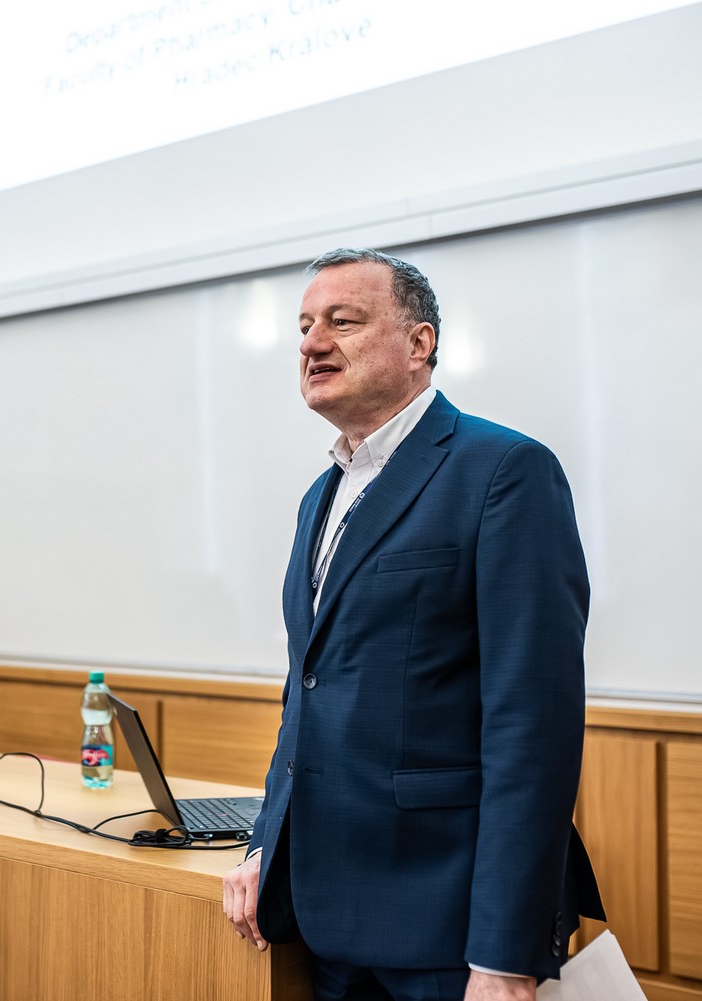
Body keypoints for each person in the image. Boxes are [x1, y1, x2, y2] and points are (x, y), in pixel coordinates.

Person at [223, 248, 603, 1001]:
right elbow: (308, 694)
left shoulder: (503, 472)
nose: (311, 343)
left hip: (448, 929)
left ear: (419, 343)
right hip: (325, 921)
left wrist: (504, 951)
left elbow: (533, 730)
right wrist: (267, 843)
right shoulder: (318, 497)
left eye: (342, 321)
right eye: (303, 326)